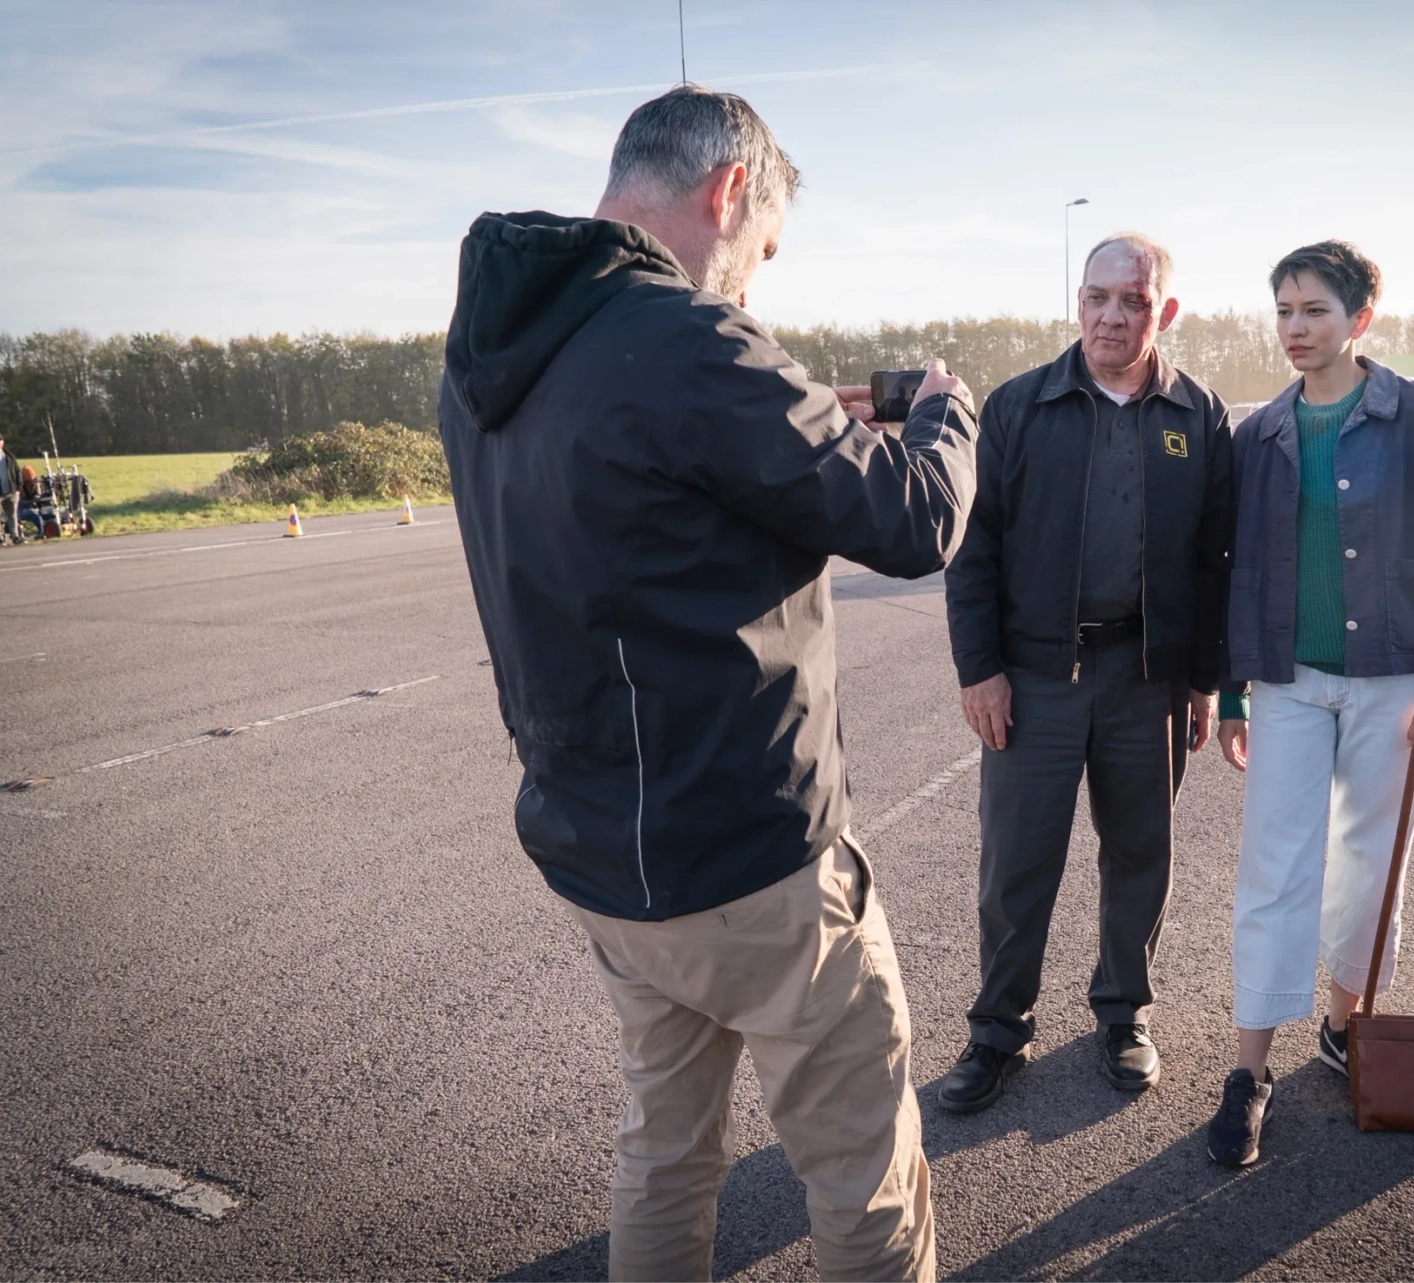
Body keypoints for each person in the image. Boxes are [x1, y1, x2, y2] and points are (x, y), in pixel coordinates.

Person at [438, 86, 979, 1283]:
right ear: (729, 190)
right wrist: (947, 414)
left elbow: (636, 510)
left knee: (668, 1148)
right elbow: (914, 517)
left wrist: (778, 427)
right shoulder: (689, 340)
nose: (752, 283)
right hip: (748, 856)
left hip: (603, 854)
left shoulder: (491, 355)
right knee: (861, 1172)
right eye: (764, 250)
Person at [1207, 240, 1414, 1168]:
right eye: (1283, 310)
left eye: (1314, 310)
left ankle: (1342, 1023)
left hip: (1396, 679)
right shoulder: (1260, 435)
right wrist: (1232, 690)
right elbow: (1238, 569)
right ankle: (1249, 1070)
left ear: (1361, 316)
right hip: (1287, 682)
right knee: (1273, 868)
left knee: (1373, 862)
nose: (1294, 328)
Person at [940, 233, 1232, 1112]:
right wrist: (980, 669)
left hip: (1149, 678)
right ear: (1078, 300)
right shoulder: (1020, 407)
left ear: (1163, 312)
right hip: (1033, 680)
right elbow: (970, 549)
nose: (1112, 315)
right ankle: (997, 1030)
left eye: (1133, 301)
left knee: (1140, 852)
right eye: (1098, 296)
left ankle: (1124, 1012)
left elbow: (1217, 558)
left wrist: (1204, 679)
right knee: (1017, 863)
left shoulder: (1199, 416)